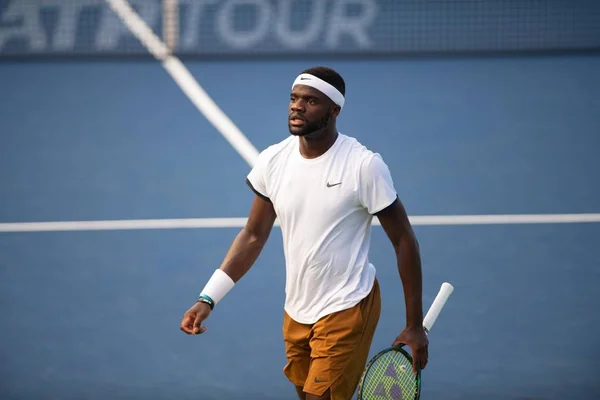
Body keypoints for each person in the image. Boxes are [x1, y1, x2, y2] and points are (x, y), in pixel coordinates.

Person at [180, 66, 428, 400]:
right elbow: (253, 235)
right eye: (294, 98)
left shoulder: (363, 166)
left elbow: (403, 240)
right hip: (297, 308)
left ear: (334, 110)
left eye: (310, 101)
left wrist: (414, 325)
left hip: (347, 305)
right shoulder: (273, 160)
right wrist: (208, 298)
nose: (297, 106)